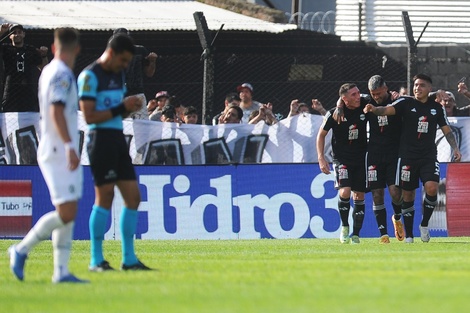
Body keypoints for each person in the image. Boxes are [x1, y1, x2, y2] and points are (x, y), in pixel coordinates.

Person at [7, 28, 87, 283]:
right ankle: (20, 249)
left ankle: (61, 271)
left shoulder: (50, 71)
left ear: (53, 48)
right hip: (58, 149)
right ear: (77, 50)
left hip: (58, 147)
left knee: (68, 210)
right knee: (65, 212)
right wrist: (69, 146)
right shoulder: (61, 73)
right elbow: (55, 111)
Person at [77, 34, 151, 271]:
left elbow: (116, 112)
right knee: (105, 198)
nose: (126, 65)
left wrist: (130, 110)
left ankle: (129, 259)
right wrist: (122, 107)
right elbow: (89, 116)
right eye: (125, 60)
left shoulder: (118, 75)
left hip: (118, 139)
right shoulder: (89, 76)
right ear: (113, 53)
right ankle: (95, 259)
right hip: (100, 141)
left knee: (133, 198)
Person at [364, 74, 462, 243]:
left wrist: (455, 148)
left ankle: (424, 225)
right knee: (406, 195)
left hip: (428, 155)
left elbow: (446, 130)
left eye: (422, 85)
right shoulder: (405, 103)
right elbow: (387, 110)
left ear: (429, 89)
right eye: (415, 85)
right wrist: (374, 109)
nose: (417, 88)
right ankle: (408, 236)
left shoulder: (436, 108)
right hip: (406, 157)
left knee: (432, 188)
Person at [316, 83, 368, 244]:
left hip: (361, 158)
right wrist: (321, 158)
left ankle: (356, 235)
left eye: (358, 93)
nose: (358, 96)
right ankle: (345, 226)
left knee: (359, 195)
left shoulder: (364, 105)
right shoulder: (334, 113)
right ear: (344, 99)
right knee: (345, 191)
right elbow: (321, 136)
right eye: (353, 94)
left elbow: (377, 97)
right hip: (342, 159)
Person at [364, 75, 404, 243]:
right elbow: (344, 98)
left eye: (379, 93)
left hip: (394, 154)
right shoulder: (365, 101)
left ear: (386, 89)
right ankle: (384, 235)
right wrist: (338, 106)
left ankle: (397, 217)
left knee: (395, 192)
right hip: (374, 154)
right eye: (373, 94)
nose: (376, 97)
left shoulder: (397, 101)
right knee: (377, 194)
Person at [0, 23, 49, 112]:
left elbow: (44, 69)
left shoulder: (30, 50)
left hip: (28, 90)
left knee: (29, 116)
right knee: (8, 115)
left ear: (24, 34)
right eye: (14, 33)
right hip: (11, 90)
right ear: (10, 36)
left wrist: (44, 56)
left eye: (19, 32)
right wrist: (1, 32)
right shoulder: (5, 48)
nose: (17, 35)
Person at [112, 28, 157, 120]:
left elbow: (149, 73)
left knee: (143, 128)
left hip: (137, 94)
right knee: (119, 128)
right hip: (119, 95)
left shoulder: (139, 51)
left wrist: (152, 61)